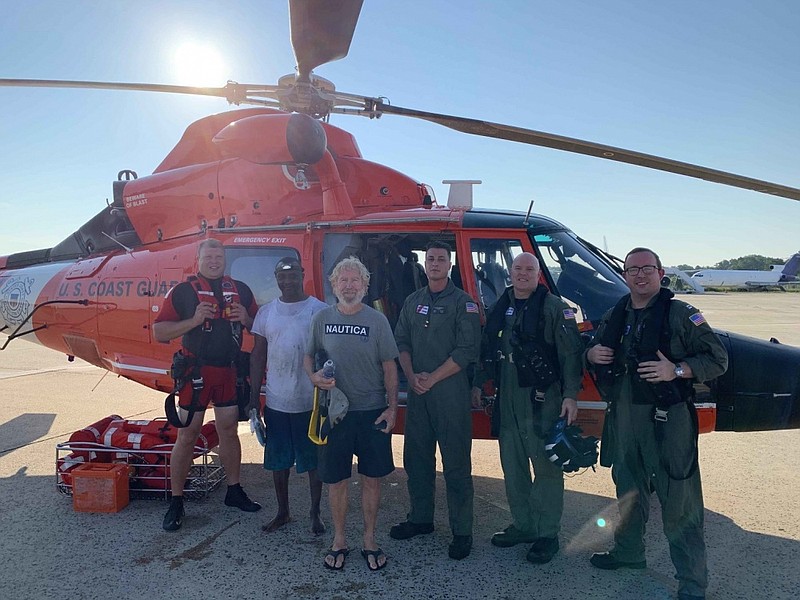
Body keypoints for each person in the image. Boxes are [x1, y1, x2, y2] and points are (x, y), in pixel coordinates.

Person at [585, 247, 728, 600]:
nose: (639, 275)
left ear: (660, 272)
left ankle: (692, 583)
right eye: (632, 269)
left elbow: (718, 358)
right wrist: (591, 353)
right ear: (624, 275)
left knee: (679, 501)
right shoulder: (616, 313)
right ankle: (629, 554)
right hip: (624, 417)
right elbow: (593, 345)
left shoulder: (682, 315)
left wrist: (677, 370)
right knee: (628, 492)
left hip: (668, 420)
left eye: (647, 268)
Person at [471, 252, 583, 564]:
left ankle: (547, 533)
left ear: (538, 275)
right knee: (513, 464)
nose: (522, 274)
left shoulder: (554, 308)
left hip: (541, 398)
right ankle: (524, 525)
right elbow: (486, 348)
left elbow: (572, 355)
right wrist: (480, 383)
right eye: (517, 268)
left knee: (546, 467)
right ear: (511, 272)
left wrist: (570, 395)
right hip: (507, 394)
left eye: (528, 269)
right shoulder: (500, 306)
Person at [154, 238, 261, 531]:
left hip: (228, 372)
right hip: (196, 374)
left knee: (228, 430)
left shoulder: (240, 290)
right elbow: (159, 332)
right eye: (209, 256)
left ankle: (234, 490)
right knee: (187, 435)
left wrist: (247, 317)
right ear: (198, 259)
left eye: (219, 256)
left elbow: (261, 325)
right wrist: (193, 320)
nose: (214, 260)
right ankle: (176, 501)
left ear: (225, 258)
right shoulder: (183, 292)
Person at [303, 257, 399, 571]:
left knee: (372, 480)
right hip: (335, 414)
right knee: (337, 481)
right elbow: (307, 356)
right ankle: (340, 539)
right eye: (342, 280)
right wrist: (314, 377)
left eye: (354, 280)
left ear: (365, 285)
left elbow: (389, 366)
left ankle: (370, 540)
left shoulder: (378, 320)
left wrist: (392, 407)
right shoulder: (322, 318)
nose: (348, 285)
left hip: (371, 412)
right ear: (333, 285)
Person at [390, 241, 481, 560]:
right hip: (418, 393)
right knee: (416, 460)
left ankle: (461, 531)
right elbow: (399, 340)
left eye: (441, 259)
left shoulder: (463, 303)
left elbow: (467, 351)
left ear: (449, 264)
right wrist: (412, 375)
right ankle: (421, 518)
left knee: (456, 464)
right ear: (425, 264)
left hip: (449, 394)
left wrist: (432, 378)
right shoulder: (412, 301)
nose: (436, 264)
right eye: (431, 259)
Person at [249, 257, 327, 535]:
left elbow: (329, 356)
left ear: (302, 275)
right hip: (276, 402)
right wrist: (252, 398)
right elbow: (257, 355)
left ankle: (315, 513)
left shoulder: (320, 310)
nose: (288, 281)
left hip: (309, 403)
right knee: (278, 461)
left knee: (313, 462)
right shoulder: (266, 313)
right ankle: (283, 512)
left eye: (293, 275)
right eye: (282, 277)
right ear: (276, 279)